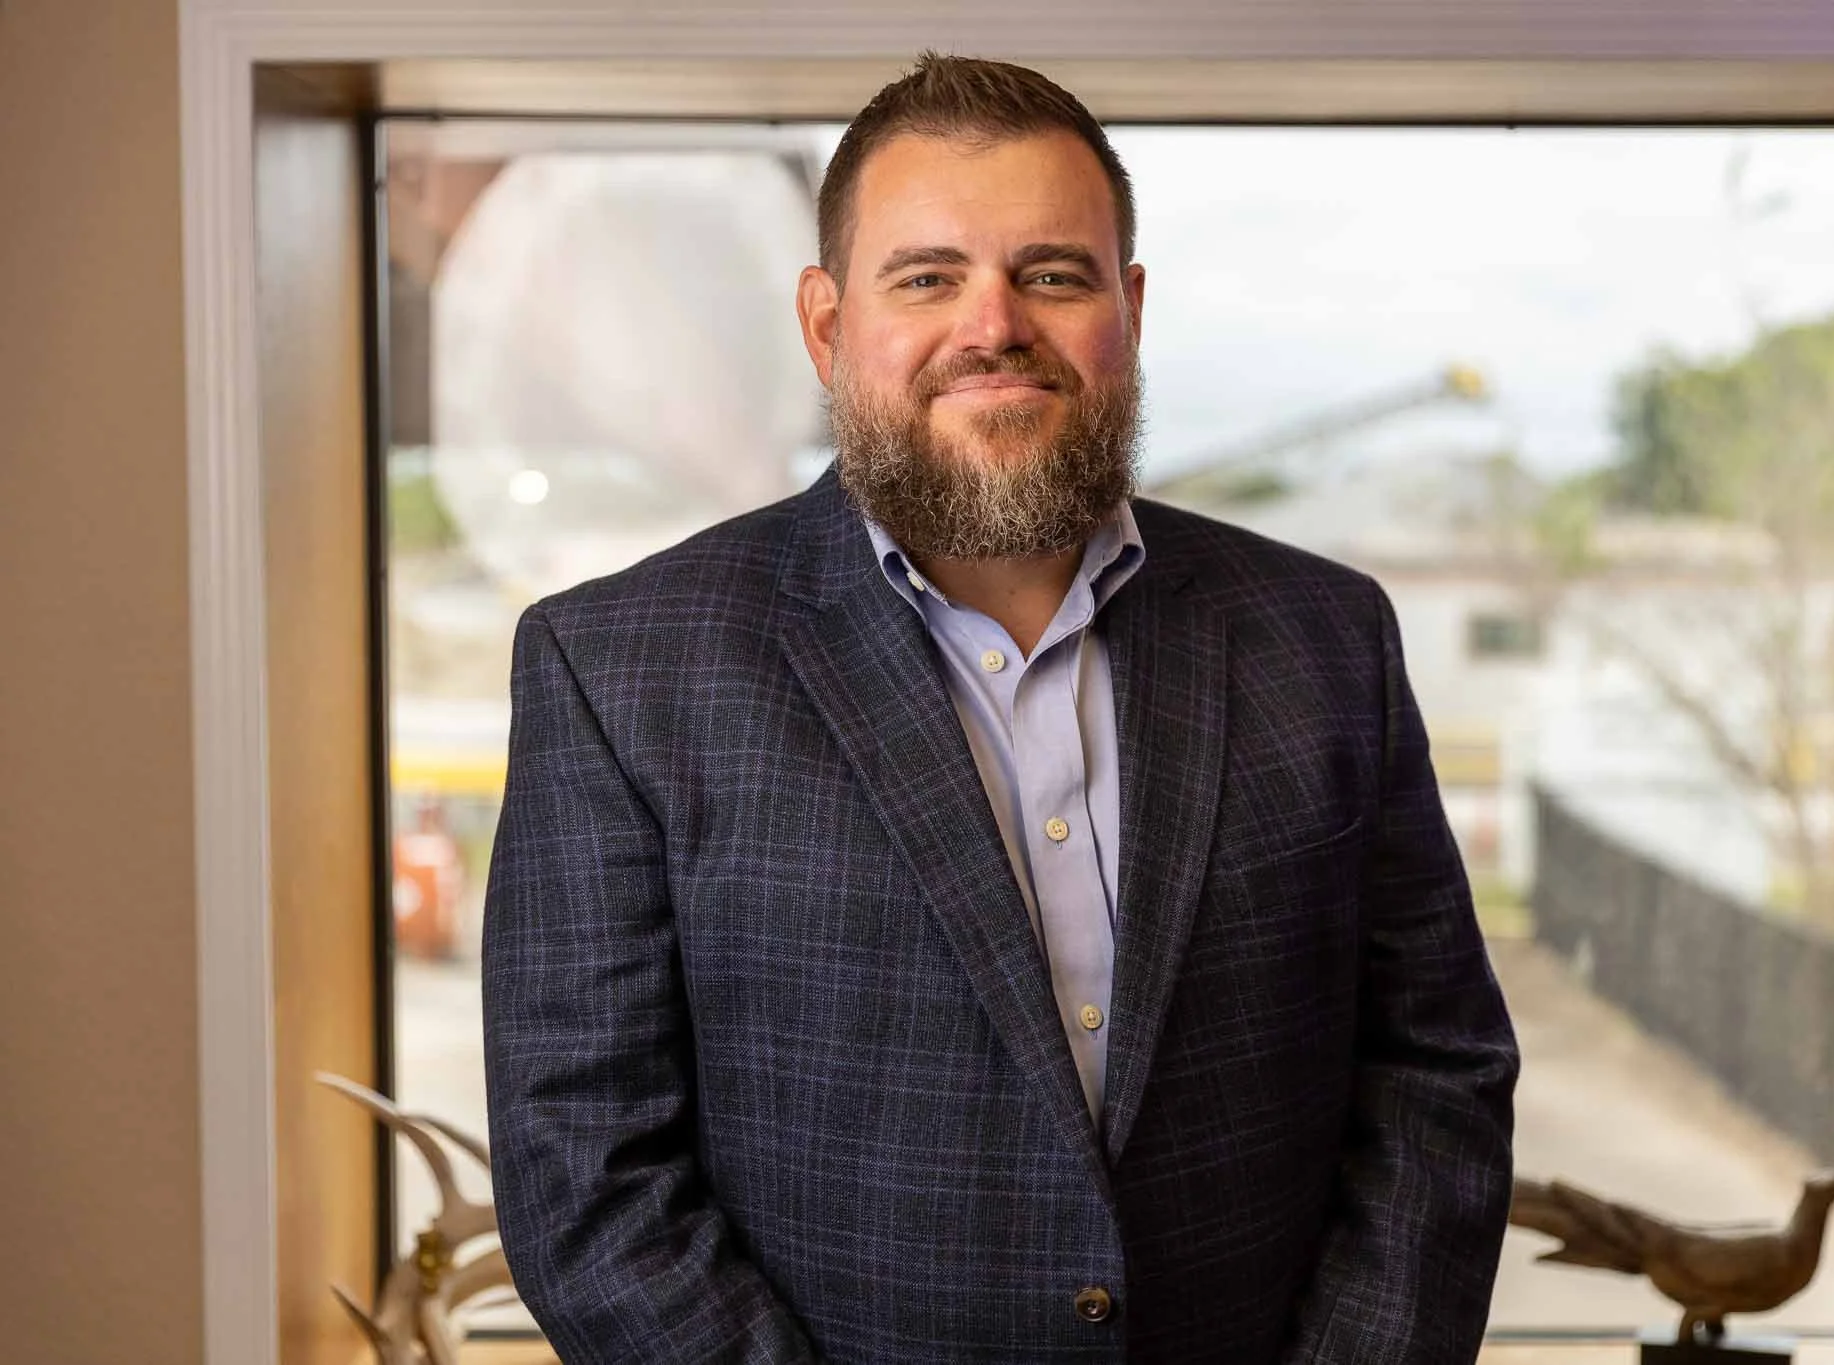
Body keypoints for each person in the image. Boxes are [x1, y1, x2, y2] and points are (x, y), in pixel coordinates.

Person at [483, 52, 1519, 1364]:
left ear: (1127, 309)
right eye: (928, 277)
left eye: (1054, 275)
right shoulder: (617, 668)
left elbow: (1434, 1071)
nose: (995, 325)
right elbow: (587, 1178)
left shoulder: (1326, 637)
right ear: (826, 325)